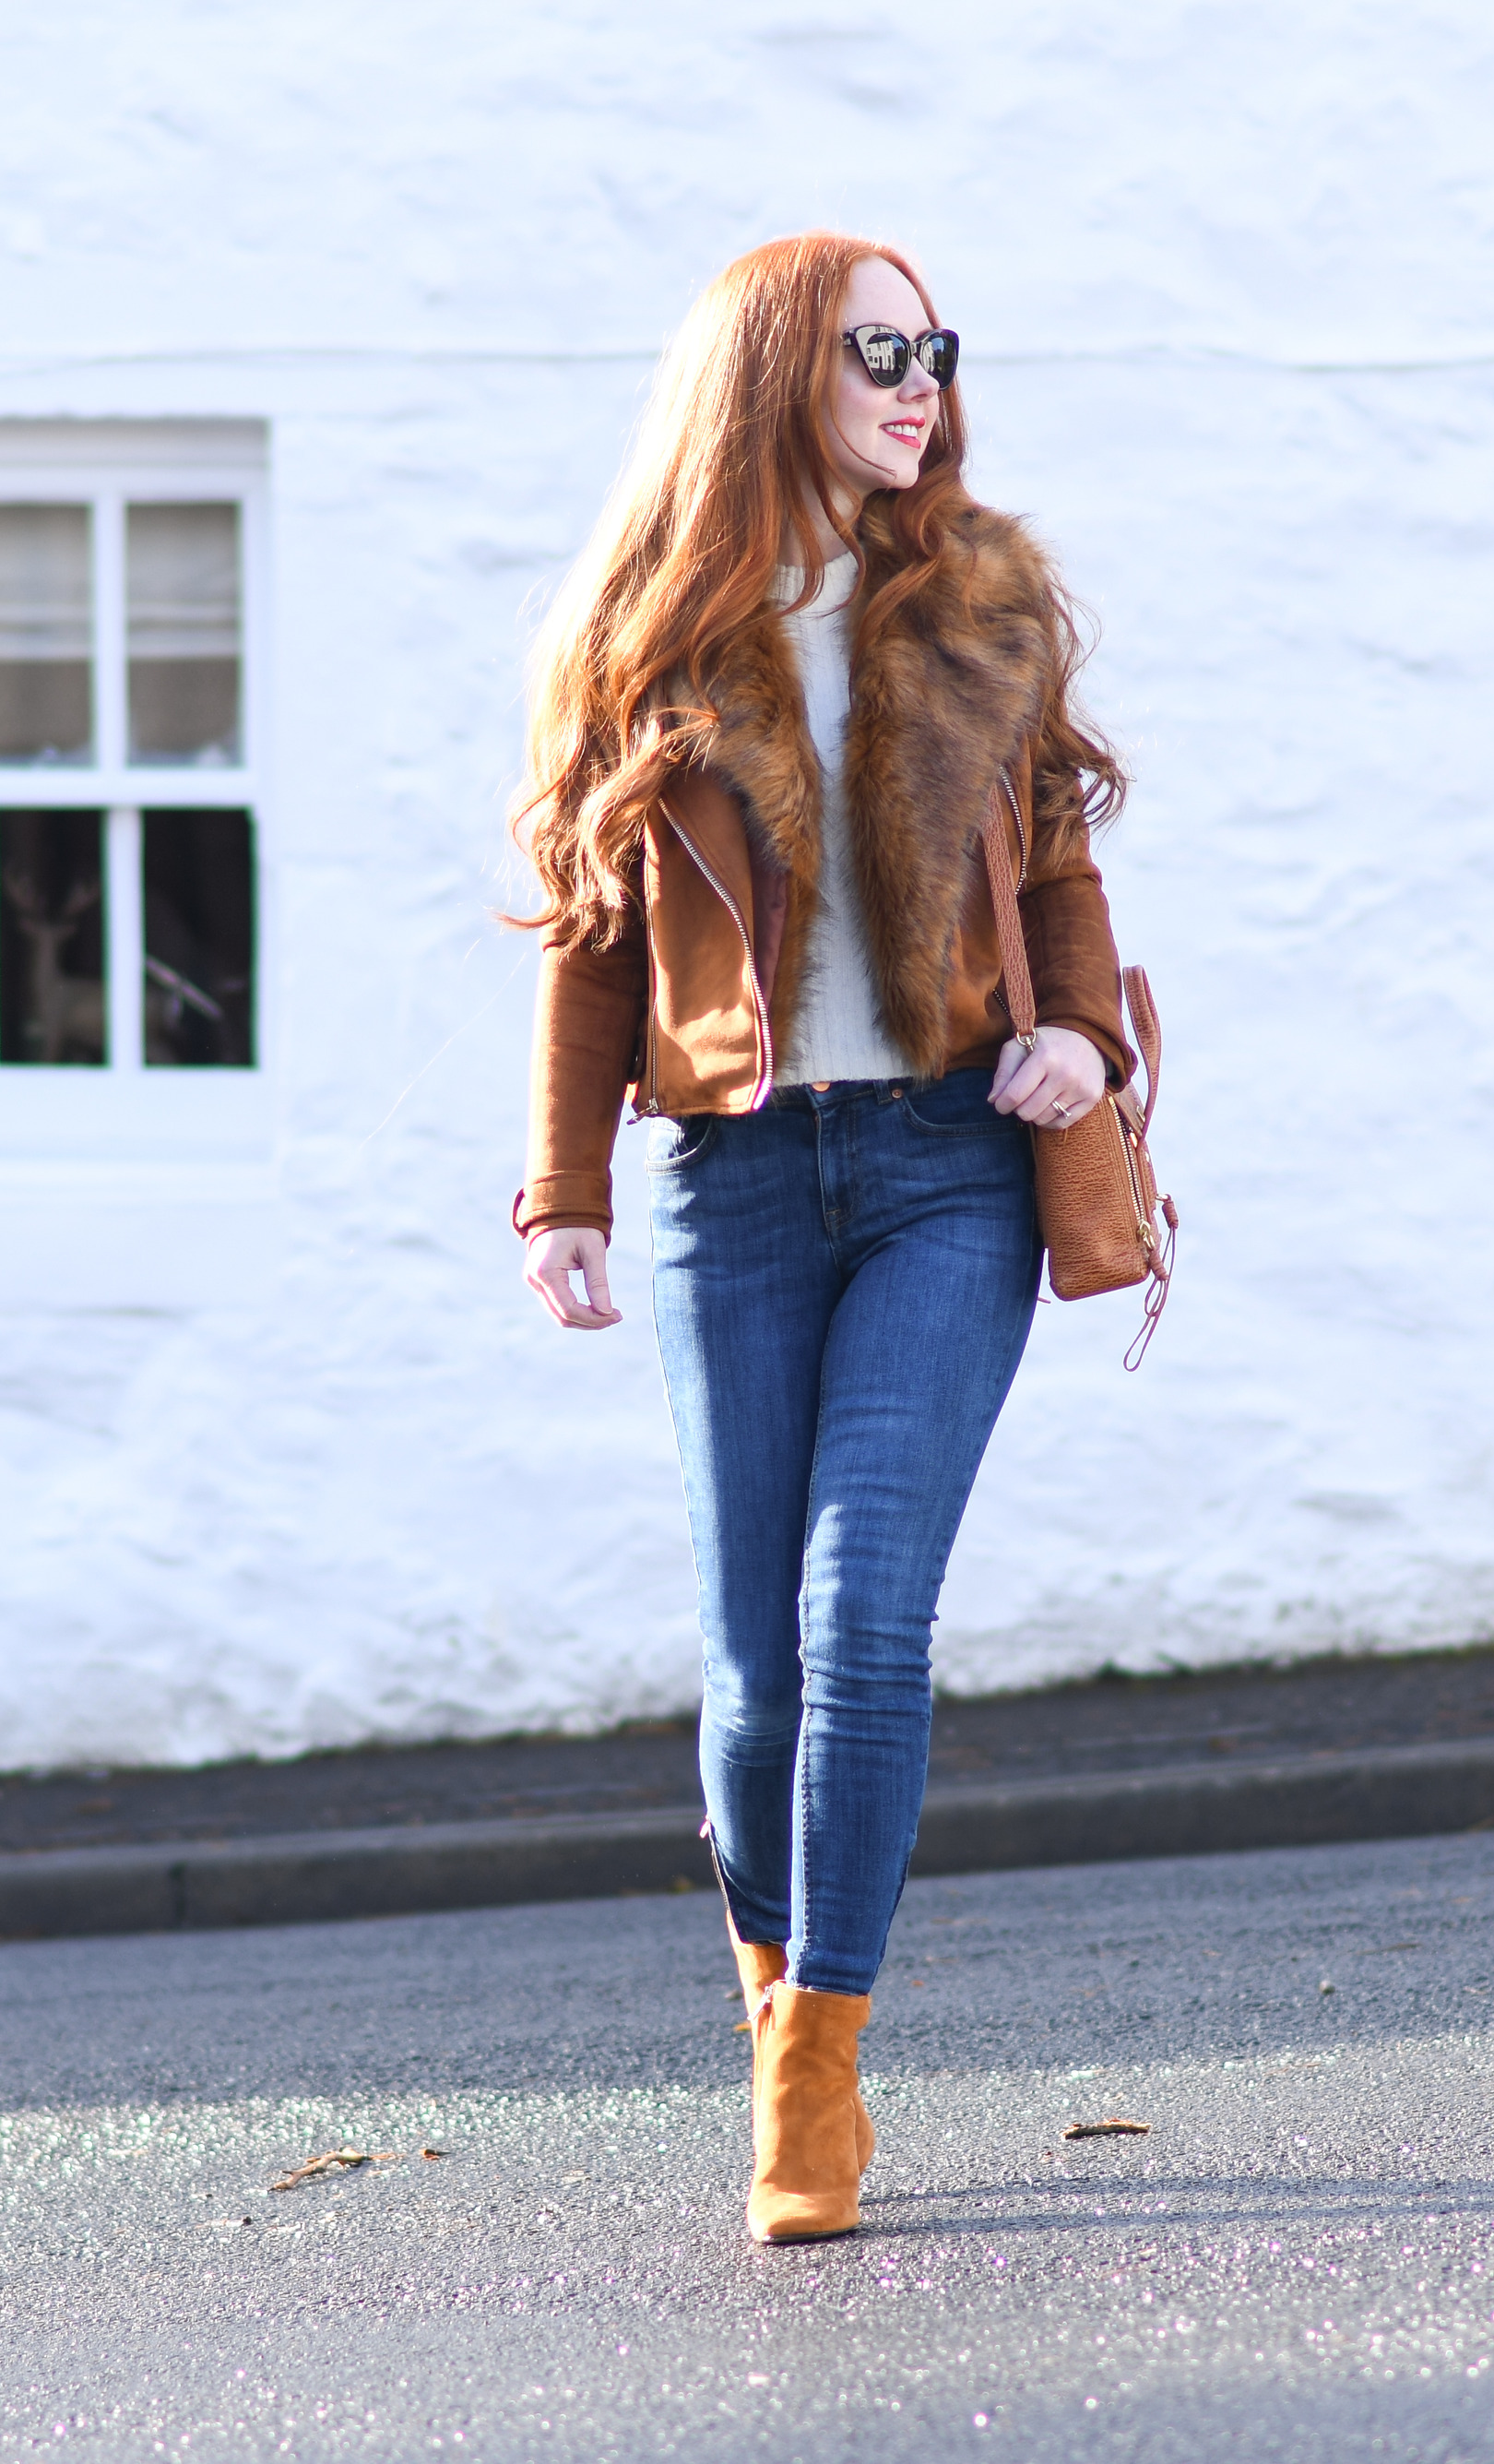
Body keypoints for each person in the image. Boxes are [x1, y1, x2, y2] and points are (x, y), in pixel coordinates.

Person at [511, 232, 1131, 2244]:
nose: (919, 378)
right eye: (879, 344)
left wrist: (1073, 1038)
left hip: (950, 1164)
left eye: (937, 345)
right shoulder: (651, 637)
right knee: (749, 1663)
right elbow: (595, 940)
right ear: (773, 364)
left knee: (863, 1613)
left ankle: (814, 2080)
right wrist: (563, 1188)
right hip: (733, 1180)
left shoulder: (980, 604)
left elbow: (1057, 869)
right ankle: (773, 1987)